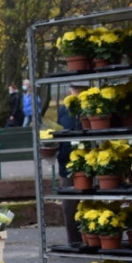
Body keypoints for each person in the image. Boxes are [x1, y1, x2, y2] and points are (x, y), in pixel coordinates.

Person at [56, 84, 85, 244]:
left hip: (87, 162)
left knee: (90, 202)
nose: (77, 93)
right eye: (75, 90)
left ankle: (92, 238)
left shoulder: (91, 107)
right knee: (69, 206)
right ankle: (74, 241)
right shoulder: (63, 110)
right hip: (66, 163)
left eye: (80, 90)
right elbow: (59, 132)